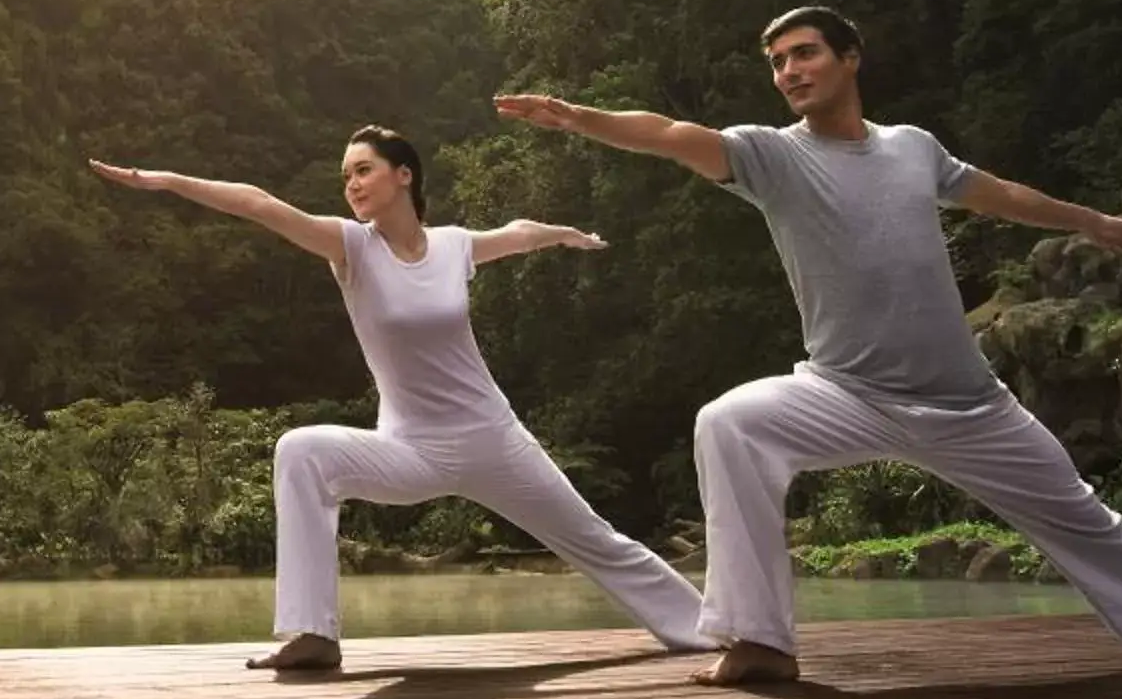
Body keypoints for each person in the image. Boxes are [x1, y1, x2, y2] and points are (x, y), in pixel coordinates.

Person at [496, 5, 1122, 686]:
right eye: (777, 61)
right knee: (729, 423)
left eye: (805, 52)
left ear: (850, 57)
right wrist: (577, 118)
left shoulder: (913, 148)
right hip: (844, 392)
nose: (789, 70)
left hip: (967, 402)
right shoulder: (771, 156)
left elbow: (996, 193)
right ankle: (760, 642)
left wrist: (1089, 220)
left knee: (1083, 518)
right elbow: (671, 134)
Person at [88, 124, 710, 671]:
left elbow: (516, 234)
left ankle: (712, 630)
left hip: (493, 439)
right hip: (410, 449)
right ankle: (313, 634)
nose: (352, 184)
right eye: (346, 176)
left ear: (403, 175)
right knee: (300, 451)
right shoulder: (350, 249)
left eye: (364, 170)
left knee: (596, 540)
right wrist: (168, 180)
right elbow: (261, 204)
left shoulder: (453, 247)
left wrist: (561, 234)